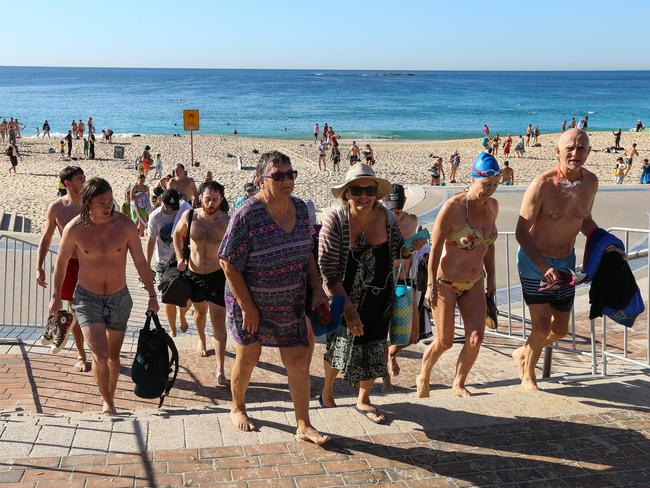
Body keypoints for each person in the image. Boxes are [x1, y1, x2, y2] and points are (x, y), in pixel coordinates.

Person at [219, 151, 330, 445]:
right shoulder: (247, 214)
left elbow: (307, 252)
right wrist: (248, 307)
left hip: (290, 299)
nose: (286, 180)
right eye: (278, 175)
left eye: (290, 174)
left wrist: (317, 287)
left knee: (297, 360)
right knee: (249, 356)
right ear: (260, 180)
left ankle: (303, 424)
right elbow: (228, 262)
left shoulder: (301, 209)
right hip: (249, 300)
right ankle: (237, 407)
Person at [319, 164, 422, 423]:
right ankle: (326, 391)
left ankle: (364, 399)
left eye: (369, 190)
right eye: (356, 190)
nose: (363, 196)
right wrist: (349, 309)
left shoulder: (387, 218)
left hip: (380, 295)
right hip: (344, 295)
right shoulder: (335, 220)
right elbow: (328, 271)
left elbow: (398, 251)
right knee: (339, 345)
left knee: (375, 346)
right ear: (346, 193)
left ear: (376, 192)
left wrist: (410, 249)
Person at [49, 177, 159, 415]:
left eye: (110, 201)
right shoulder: (74, 229)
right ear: (88, 202)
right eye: (102, 203)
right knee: (100, 354)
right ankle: (107, 402)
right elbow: (61, 264)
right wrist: (56, 296)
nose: (109, 206)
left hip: (119, 298)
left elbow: (140, 262)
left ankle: (110, 395)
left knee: (114, 357)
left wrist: (152, 295)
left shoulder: (125, 226)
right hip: (87, 299)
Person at [513, 128, 599, 390]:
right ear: (557, 152)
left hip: (565, 263)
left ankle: (523, 351)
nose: (576, 153)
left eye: (582, 148)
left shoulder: (591, 183)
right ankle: (528, 374)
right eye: (570, 148)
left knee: (560, 330)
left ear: (588, 152)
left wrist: (605, 242)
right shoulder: (542, 184)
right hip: (534, 263)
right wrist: (542, 265)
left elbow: (584, 220)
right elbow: (520, 231)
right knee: (540, 326)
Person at [417, 153, 499, 398]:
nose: (490, 190)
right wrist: (430, 285)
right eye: (486, 185)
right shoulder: (453, 208)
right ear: (473, 179)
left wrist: (492, 279)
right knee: (444, 341)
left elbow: (489, 246)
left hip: (474, 282)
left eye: (495, 185)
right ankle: (424, 375)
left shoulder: (493, 206)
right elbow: (435, 249)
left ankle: (458, 383)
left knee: (476, 338)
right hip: (446, 284)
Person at [174, 181, 230, 388]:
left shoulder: (226, 221)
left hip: (217, 275)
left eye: (215, 199)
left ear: (221, 200)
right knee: (200, 313)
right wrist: (180, 257)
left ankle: (220, 369)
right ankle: (201, 339)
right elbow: (176, 235)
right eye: (207, 198)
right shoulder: (190, 216)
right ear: (200, 198)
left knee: (218, 319)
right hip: (194, 273)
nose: (211, 203)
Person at [35, 167, 89, 371]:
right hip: (68, 264)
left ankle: (101, 349)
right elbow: (46, 238)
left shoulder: (92, 202)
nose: (83, 179)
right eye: (79, 178)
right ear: (67, 183)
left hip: (91, 264)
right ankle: (82, 355)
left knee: (95, 309)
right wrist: (38, 267)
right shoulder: (57, 208)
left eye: (84, 176)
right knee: (74, 310)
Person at [381, 184, 421, 392]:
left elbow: (415, 249)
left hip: (407, 281)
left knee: (412, 335)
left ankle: (391, 353)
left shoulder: (412, 220)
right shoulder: (380, 221)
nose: (394, 212)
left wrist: (418, 244)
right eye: (391, 208)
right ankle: (385, 378)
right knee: (383, 334)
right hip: (386, 282)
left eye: (397, 208)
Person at [146, 189, 190, 337]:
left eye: (175, 208)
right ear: (161, 202)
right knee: (168, 297)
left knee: (190, 295)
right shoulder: (155, 217)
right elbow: (151, 241)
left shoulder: (185, 208)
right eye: (170, 209)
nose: (173, 212)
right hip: (164, 262)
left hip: (184, 258)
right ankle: (172, 327)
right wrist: (147, 264)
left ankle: (182, 315)